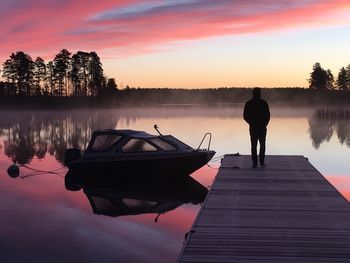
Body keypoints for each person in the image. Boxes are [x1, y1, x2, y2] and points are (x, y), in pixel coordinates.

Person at [243, 88, 270, 168]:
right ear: (259, 93)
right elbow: (268, 116)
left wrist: (251, 123)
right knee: (262, 144)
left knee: (254, 145)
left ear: (253, 93)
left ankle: (255, 162)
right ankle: (261, 162)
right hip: (261, 127)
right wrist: (264, 124)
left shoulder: (249, 103)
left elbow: (245, 116)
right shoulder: (264, 103)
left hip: (254, 127)